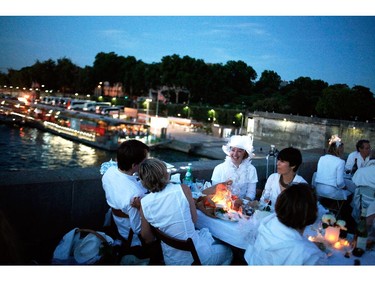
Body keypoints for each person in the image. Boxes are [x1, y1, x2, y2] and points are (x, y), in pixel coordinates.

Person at [139, 158, 233, 265]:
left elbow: (147, 237)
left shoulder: (144, 203)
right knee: (229, 252)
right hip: (195, 258)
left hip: (171, 260)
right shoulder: (182, 189)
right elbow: (194, 219)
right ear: (164, 174)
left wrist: (165, 236)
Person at [244, 183, 327, 265]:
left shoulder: (267, 223)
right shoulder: (309, 255)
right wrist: (310, 246)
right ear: (312, 213)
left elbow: (249, 256)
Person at [101, 140, 150, 249]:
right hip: (132, 237)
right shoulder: (135, 194)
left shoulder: (109, 172)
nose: (147, 163)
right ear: (134, 165)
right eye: (144, 161)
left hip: (118, 224)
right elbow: (138, 229)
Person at [210, 135, 258, 202]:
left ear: (244, 153)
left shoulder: (251, 170)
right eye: (233, 150)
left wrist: (242, 202)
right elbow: (214, 191)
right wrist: (223, 185)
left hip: (242, 206)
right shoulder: (219, 168)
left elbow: (251, 193)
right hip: (222, 205)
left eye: (239, 151)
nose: (235, 154)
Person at [315, 135, 356, 200]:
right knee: (353, 190)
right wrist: (344, 187)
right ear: (340, 150)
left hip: (318, 189)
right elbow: (340, 183)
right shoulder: (340, 162)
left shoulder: (322, 158)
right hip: (331, 192)